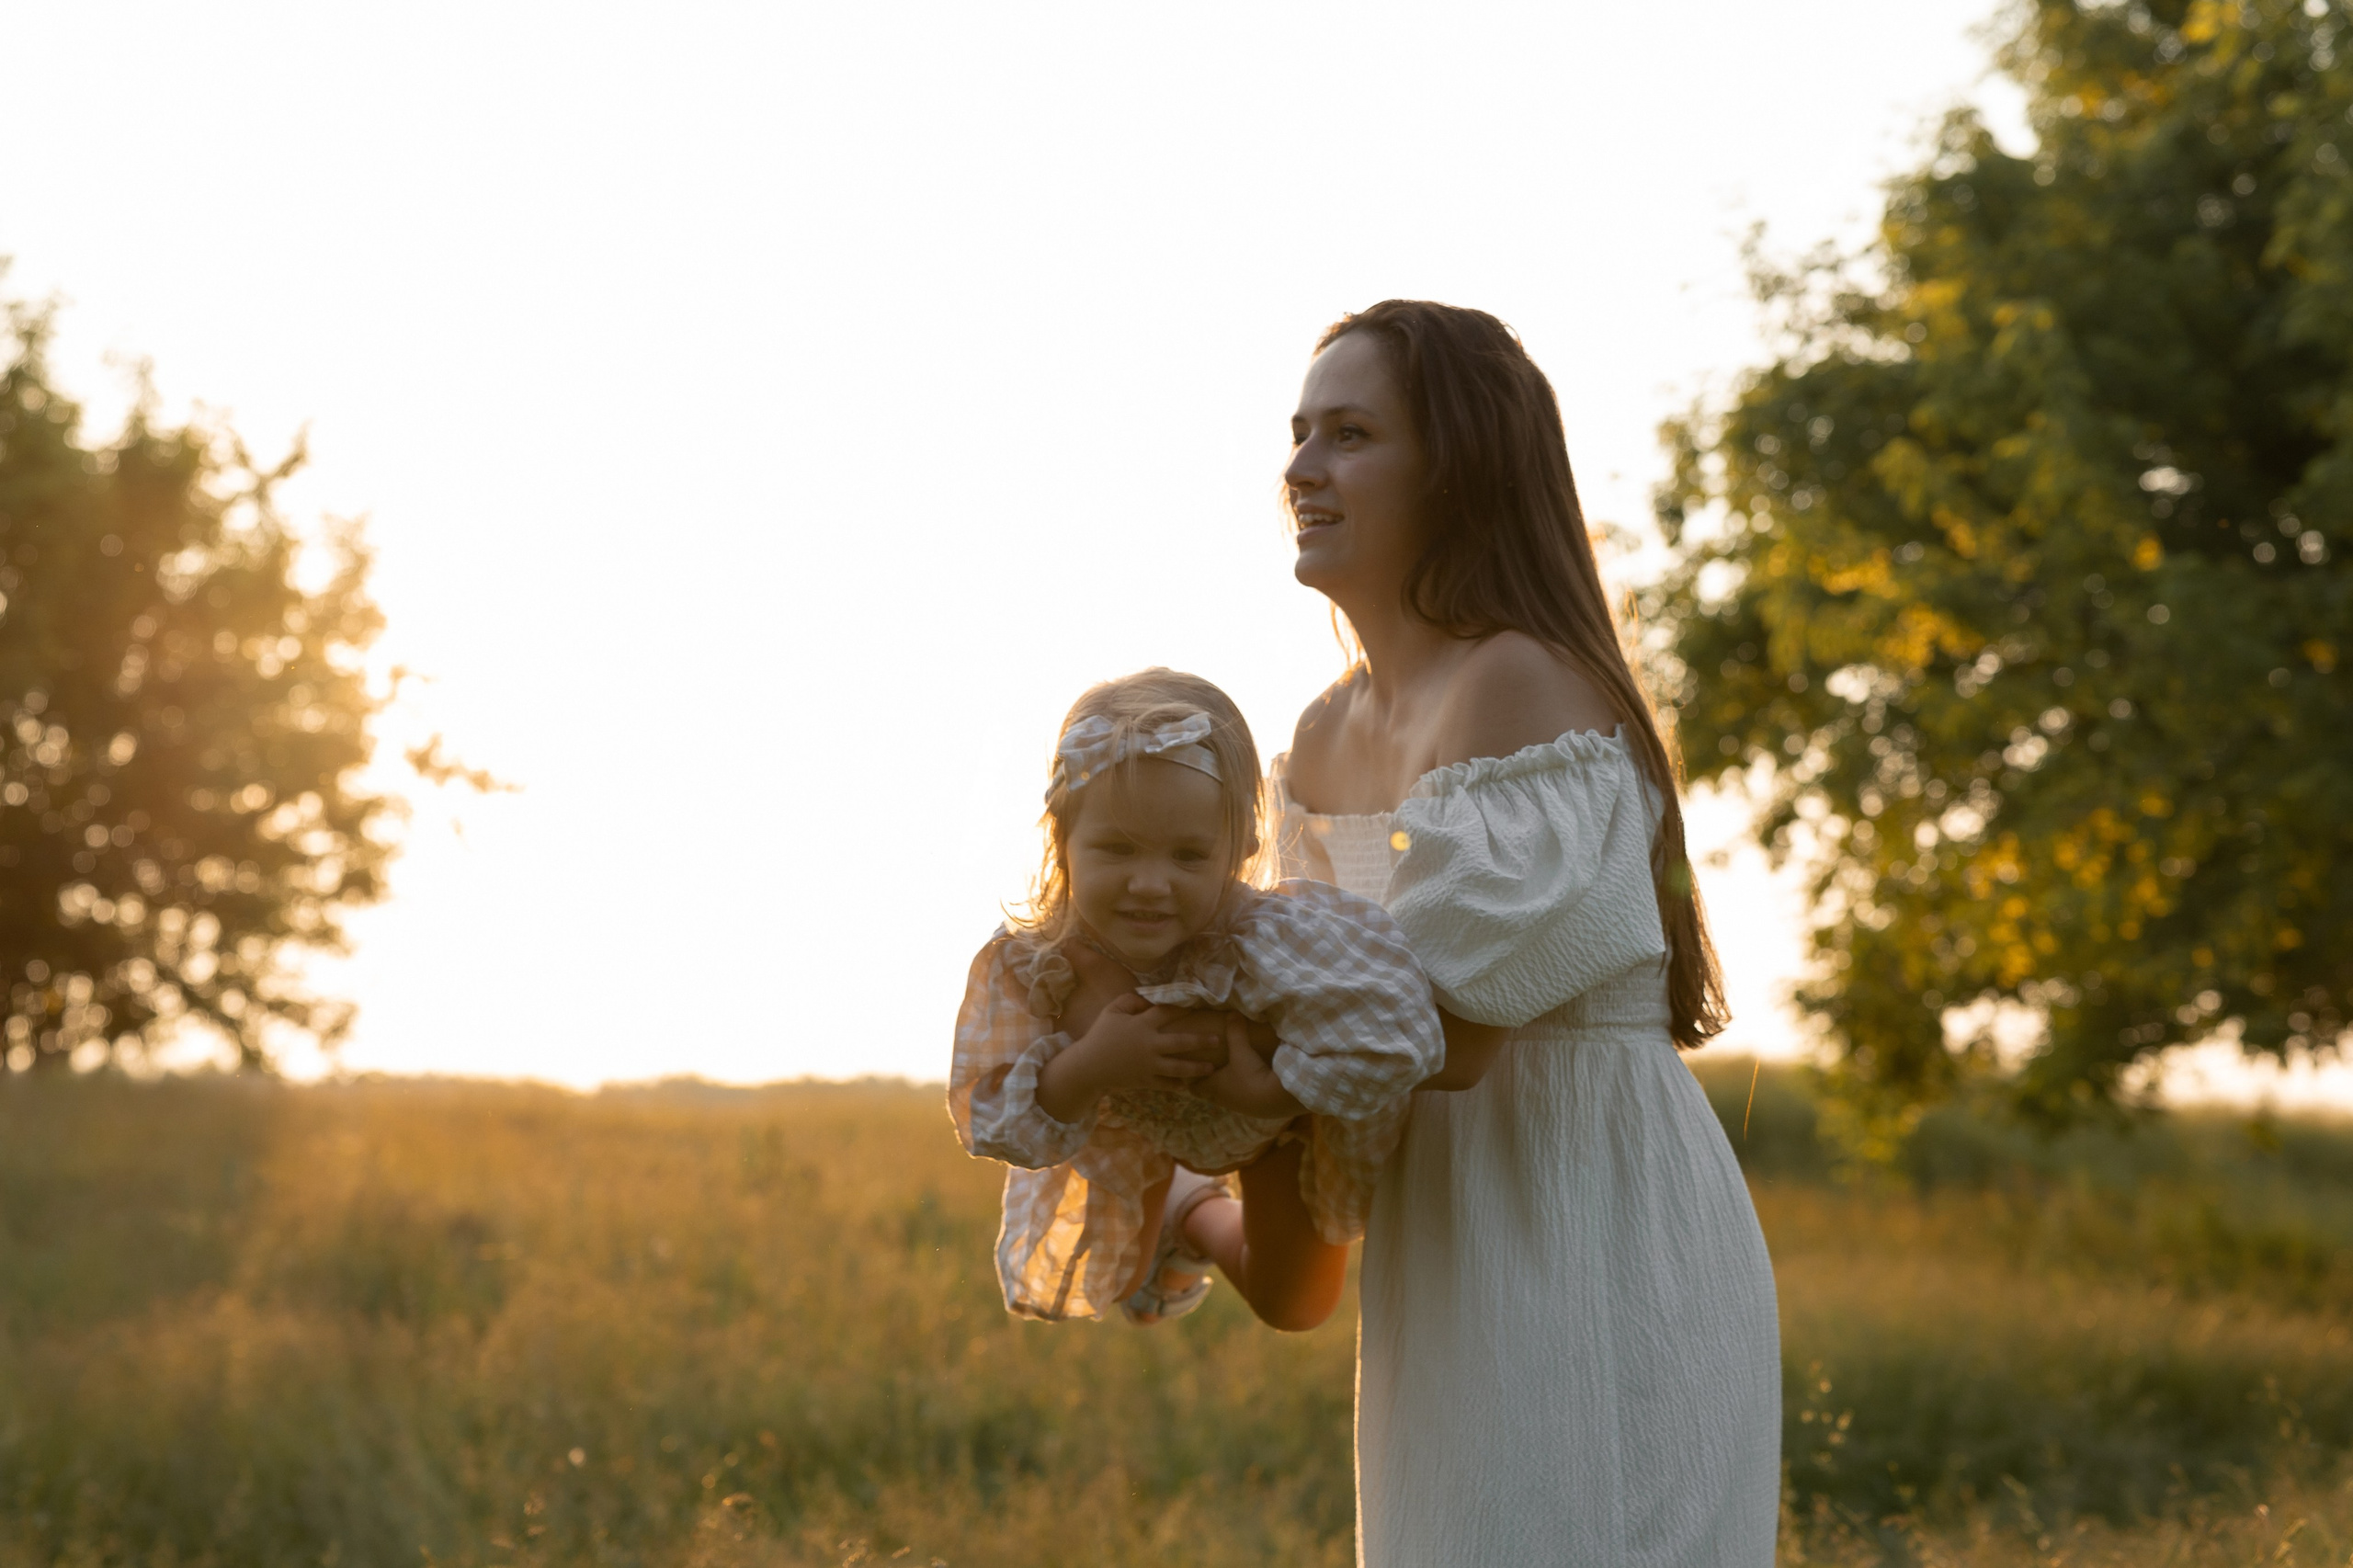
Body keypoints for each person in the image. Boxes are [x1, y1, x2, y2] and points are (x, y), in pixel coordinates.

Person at [1262, 301, 1780, 1563]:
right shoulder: (1321, 736)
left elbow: (1439, 1035)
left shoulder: (1521, 681)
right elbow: (1306, 1058)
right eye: (1299, 432)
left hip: (1584, 1231)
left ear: (1459, 467)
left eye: (1349, 433)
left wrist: (1157, 1058)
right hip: (1442, 1259)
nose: (1300, 468)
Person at [947, 667, 1444, 1329]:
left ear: (1239, 848)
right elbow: (988, 1117)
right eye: (1117, 849)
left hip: (1270, 1128)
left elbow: (1402, 1031)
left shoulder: (1269, 940)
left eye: (1187, 856)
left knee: (1294, 1305)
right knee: (1119, 1280)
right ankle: (1172, 1205)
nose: (1150, 883)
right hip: (1133, 1123)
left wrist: (1272, 1090)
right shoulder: (1039, 965)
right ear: (1060, 840)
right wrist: (1090, 1066)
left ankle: (1198, 1213)